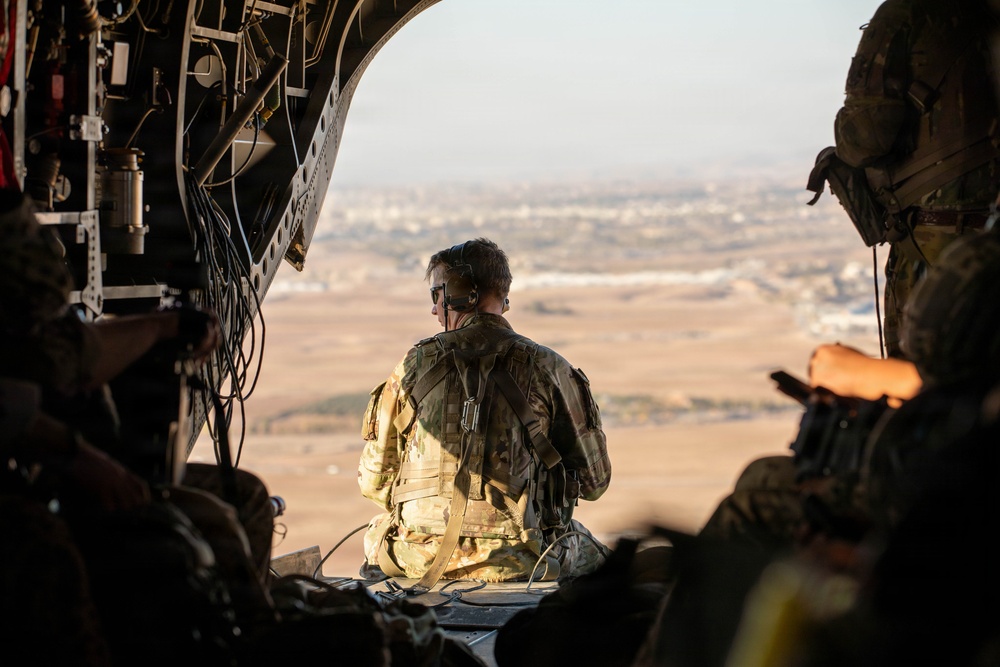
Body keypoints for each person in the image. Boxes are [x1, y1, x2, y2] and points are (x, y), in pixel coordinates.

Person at [358, 238, 612, 584]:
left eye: (437, 295)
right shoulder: (549, 367)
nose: (434, 309)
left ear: (461, 295)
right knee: (609, 566)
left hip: (417, 555)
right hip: (528, 558)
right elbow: (595, 484)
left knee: (375, 534)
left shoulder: (414, 365)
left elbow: (374, 482)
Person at [805, 0, 1000, 400]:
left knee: (924, 397)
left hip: (937, 248)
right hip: (988, 240)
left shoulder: (906, 14)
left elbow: (864, 140)